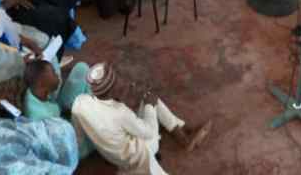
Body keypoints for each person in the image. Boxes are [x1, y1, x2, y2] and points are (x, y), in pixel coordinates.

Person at [72, 62, 212, 175]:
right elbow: (149, 131)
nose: (121, 81)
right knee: (149, 98)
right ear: (111, 90)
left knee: (147, 101)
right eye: (117, 80)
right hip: (136, 155)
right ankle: (183, 137)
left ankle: (182, 129)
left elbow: (78, 135)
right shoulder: (120, 112)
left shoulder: (80, 102)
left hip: (110, 154)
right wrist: (150, 106)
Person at [23, 59, 96, 158]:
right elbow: (64, 148)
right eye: (53, 73)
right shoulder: (44, 119)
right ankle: (95, 107)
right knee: (99, 129)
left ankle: (93, 103)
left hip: (58, 109)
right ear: (42, 84)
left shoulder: (33, 91)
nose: (57, 75)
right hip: (69, 143)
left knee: (81, 68)